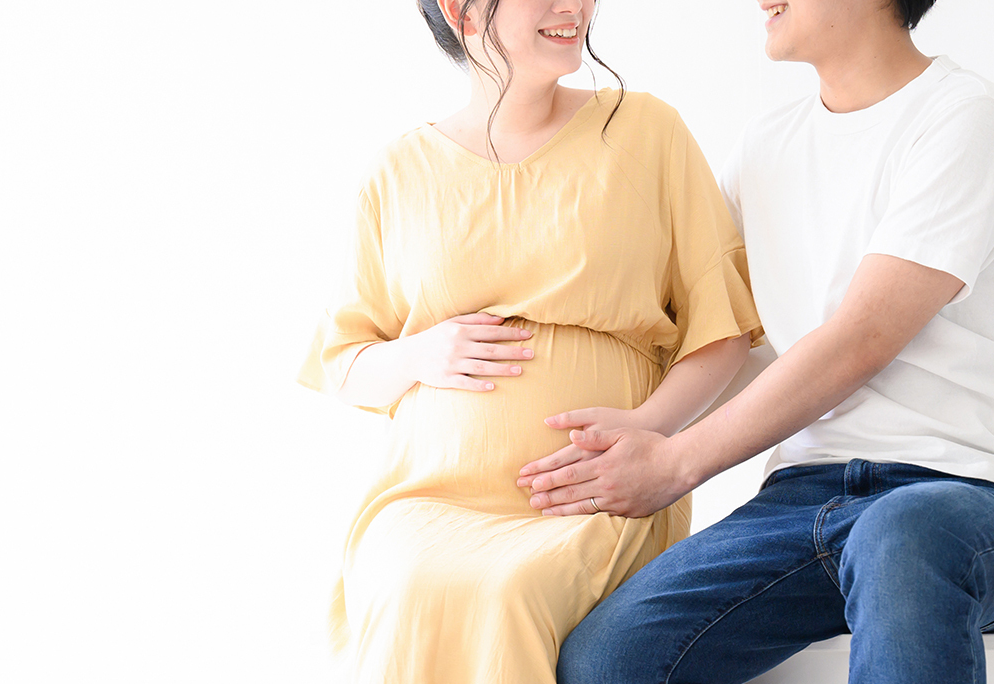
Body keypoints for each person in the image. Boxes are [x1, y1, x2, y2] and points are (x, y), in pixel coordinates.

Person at [297, 0, 763, 681]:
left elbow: (723, 331)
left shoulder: (647, 131)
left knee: (503, 592)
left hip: (595, 492)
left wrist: (645, 430)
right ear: (460, 11)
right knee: (410, 588)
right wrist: (418, 353)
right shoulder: (397, 172)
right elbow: (342, 363)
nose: (574, 6)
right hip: (431, 497)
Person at [533, 1, 994, 683]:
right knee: (608, 658)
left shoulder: (962, 115)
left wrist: (677, 462)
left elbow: (861, 338)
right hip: (799, 496)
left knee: (900, 534)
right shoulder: (765, 146)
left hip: (955, 489)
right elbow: (705, 326)